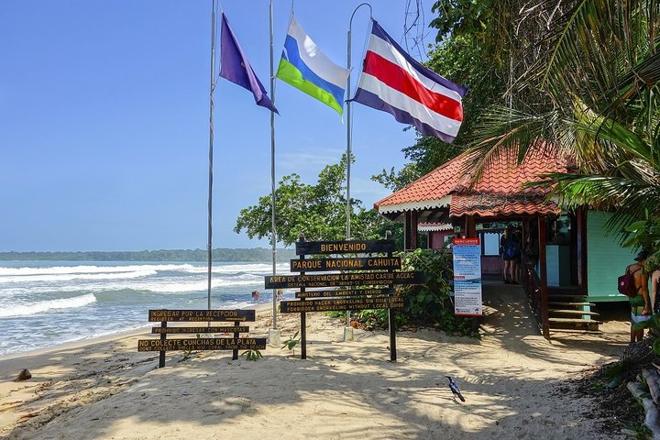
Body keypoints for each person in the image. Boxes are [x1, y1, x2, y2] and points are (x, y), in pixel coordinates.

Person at [627, 250, 651, 342]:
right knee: (640, 323)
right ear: (644, 260)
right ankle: (639, 343)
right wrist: (647, 304)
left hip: (632, 297)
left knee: (634, 322)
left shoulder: (629, 267)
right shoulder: (642, 271)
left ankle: (632, 343)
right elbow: (644, 289)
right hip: (641, 298)